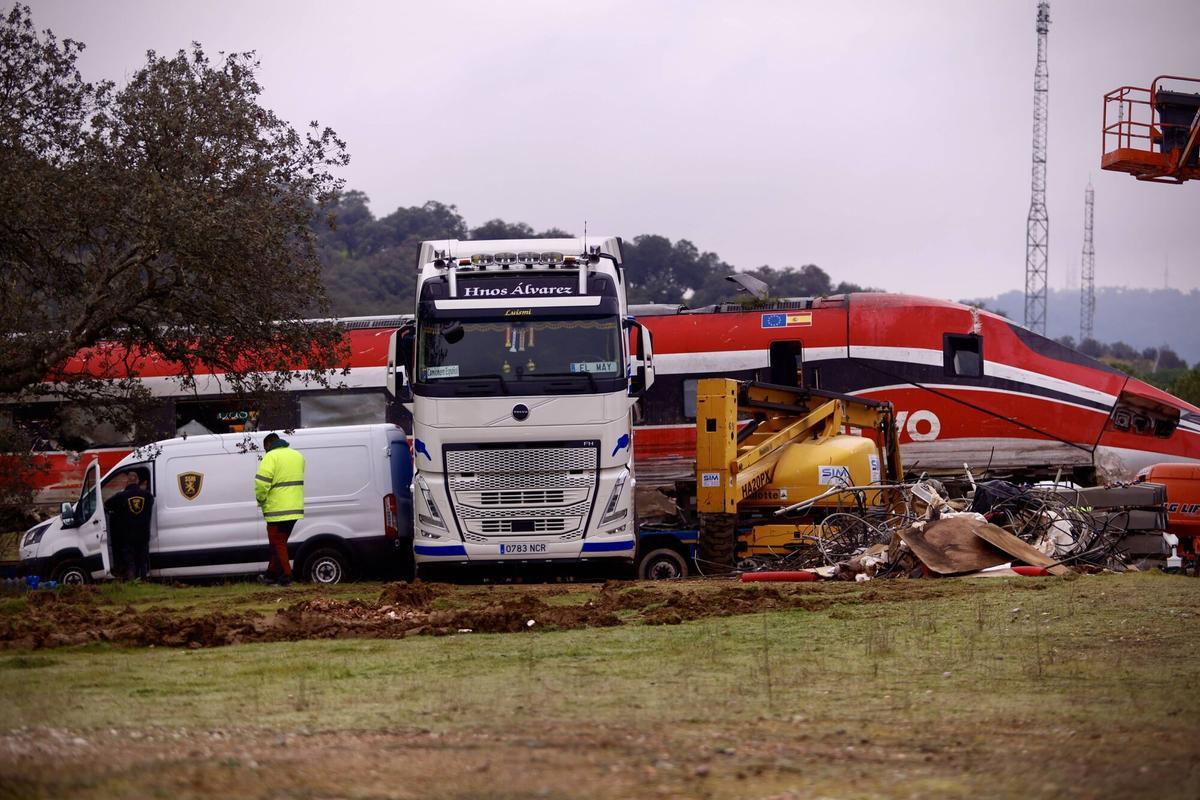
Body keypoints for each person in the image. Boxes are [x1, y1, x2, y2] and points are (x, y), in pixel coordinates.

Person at [254, 432, 305, 585]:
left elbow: (261, 483)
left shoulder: (270, 457)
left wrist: (261, 499)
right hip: (295, 508)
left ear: (268, 445)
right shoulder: (298, 456)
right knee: (279, 542)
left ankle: (287, 576)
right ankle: (271, 574)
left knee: (277, 543)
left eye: (265, 449)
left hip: (276, 509)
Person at [104, 469, 154, 580]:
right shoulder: (147, 496)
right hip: (143, 534)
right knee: (142, 560)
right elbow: (151, 505)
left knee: (130, 560)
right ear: (137, 481)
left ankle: (132, 581)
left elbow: (107, 504)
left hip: (127, 535)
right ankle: (143, 580)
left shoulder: (121, 496)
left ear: (128, 481)